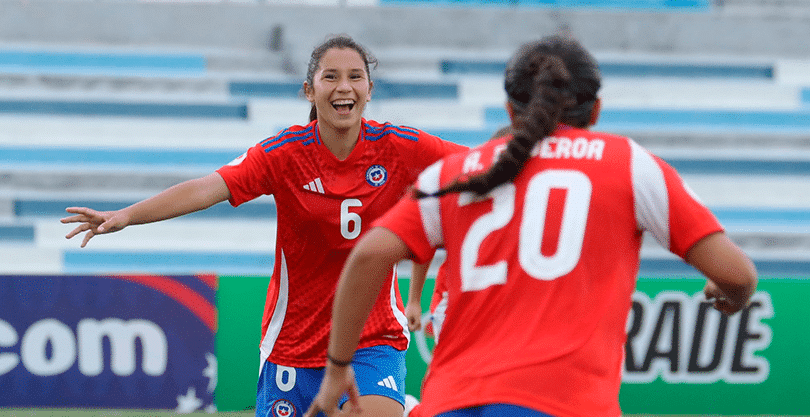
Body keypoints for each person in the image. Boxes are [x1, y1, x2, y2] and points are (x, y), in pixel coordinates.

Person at [303, 35, 758, 417]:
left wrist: (338, 366)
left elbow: (367, 256)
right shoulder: (629, 166)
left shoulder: (455, 174)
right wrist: (730, 295)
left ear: (508, 108)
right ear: (595, 110)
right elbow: (737, 274)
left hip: (451, 401)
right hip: (565, 403)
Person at [60, 34, 466, 417]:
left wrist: (529, 157)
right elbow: (208, 188)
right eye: (331, 77)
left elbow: (476, 163)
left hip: (372, 338)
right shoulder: (284, 153)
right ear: (309, 91)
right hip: (293, 343)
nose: (344, 86)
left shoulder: (398, 146)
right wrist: (127, 215)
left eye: (355, 77)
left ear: (370, 89)